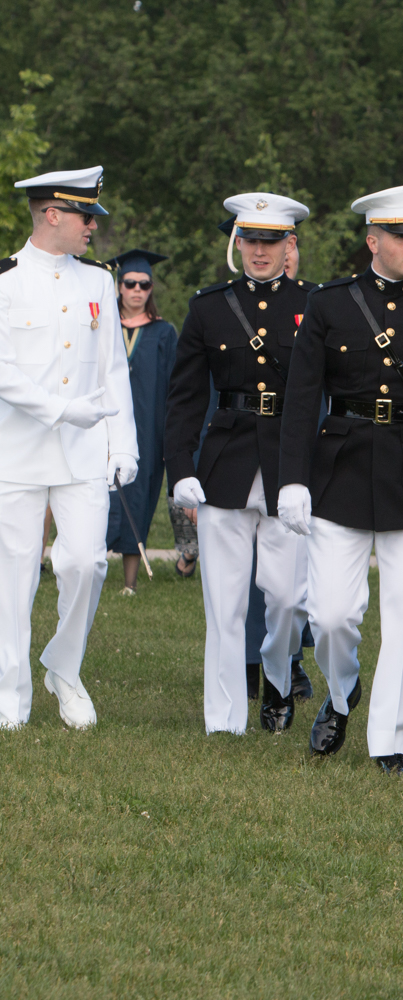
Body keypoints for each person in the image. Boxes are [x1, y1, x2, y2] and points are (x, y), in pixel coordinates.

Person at [277, 183, 403, 774]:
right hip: (340, 469)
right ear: (373, 239)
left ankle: (390, 742)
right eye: (400, 234)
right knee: (334, 615)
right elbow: (300, 399)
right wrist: (293, 479)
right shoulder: (330, 303)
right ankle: (343, 695)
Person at [165, 193, 313, 735]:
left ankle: (277, 680)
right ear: (237, 242)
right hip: (225, 461)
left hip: (289, 465)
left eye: (270, 240)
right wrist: (181, 464)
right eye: (250, 239)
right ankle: (224, 717)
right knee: (223, 601)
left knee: (287, 598)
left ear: (289, 244)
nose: (259, 250)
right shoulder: (209, 306)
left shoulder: (315, 304)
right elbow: (183, 396)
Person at [0, 166, 135, 730]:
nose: (92, 227)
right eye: (85, 215)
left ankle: (64, 668)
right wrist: (59, 409)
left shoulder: (98, 282)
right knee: (13, 576)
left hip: (83, 451)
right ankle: (11, 695)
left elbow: (112, 369)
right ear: (52, 214)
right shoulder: (4, 281)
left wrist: (122, 442)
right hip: (18, 452)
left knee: (84, 564)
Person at [103, 248, 176, 596]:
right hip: (102, 428)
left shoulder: (164, 333)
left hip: (148, 432)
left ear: (151, 289)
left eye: (143, 284)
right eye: (129, 283)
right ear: (118, 286)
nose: (136, 290)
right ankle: (90, 570)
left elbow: (175, 387)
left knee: (139, 498)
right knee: (98, 498)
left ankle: (129, 583)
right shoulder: (101, 327)